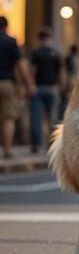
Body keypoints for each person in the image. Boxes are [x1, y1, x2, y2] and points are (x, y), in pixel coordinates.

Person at [0, 15, 33, 158]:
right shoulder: (11, 42)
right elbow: (20, 65)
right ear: (6, 26)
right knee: (8, 117)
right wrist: (29, 84)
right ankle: (7, 150)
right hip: (7, 83)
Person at [28, 27, 63, 153]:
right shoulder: (56, 54)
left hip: (38, 88)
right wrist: (60, 87)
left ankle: (36, 145)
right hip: (52, 88)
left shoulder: (36, 53)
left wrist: (30, 86)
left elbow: (32, 71)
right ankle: (53, 144)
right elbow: (60, 73)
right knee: (52, 118)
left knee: (36, 117)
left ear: (39, 39)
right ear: (50, 38)